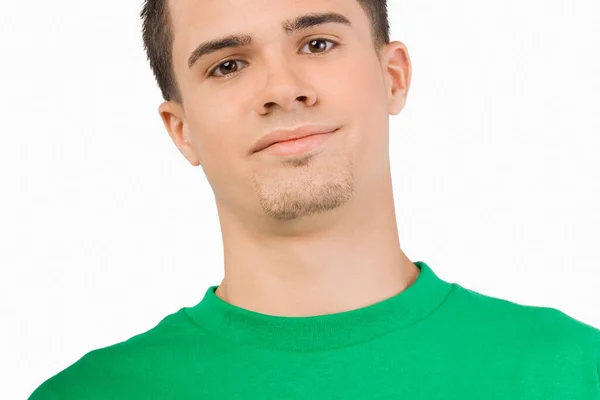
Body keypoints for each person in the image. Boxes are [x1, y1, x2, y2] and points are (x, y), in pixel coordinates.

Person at [29, 0, 600, 398]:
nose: (282, 88)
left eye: (318, 42)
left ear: (393, 75)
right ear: (181, 131)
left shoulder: (577, 372)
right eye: (228, 65)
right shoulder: (89, 395)